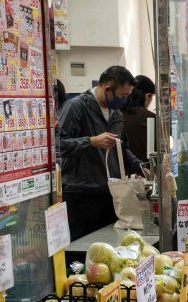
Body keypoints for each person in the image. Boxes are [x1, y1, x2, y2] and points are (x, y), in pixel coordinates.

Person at [58, 65, 147, 240]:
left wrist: (141, 167)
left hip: (110, 194)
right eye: (123, 96)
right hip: (81, 196)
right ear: (107, 89)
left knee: (109, 248)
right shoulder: (76, 108)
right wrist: (90, 141)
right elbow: (58, 145)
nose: (125, 101)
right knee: (82, 251)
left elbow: (122, 148)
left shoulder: (115, 114)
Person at [123, 74, 157, 162]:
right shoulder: (151, 118)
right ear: (147, 96)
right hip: (146, 171)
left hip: (122, 171)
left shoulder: (118, 115)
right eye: (152, 97)